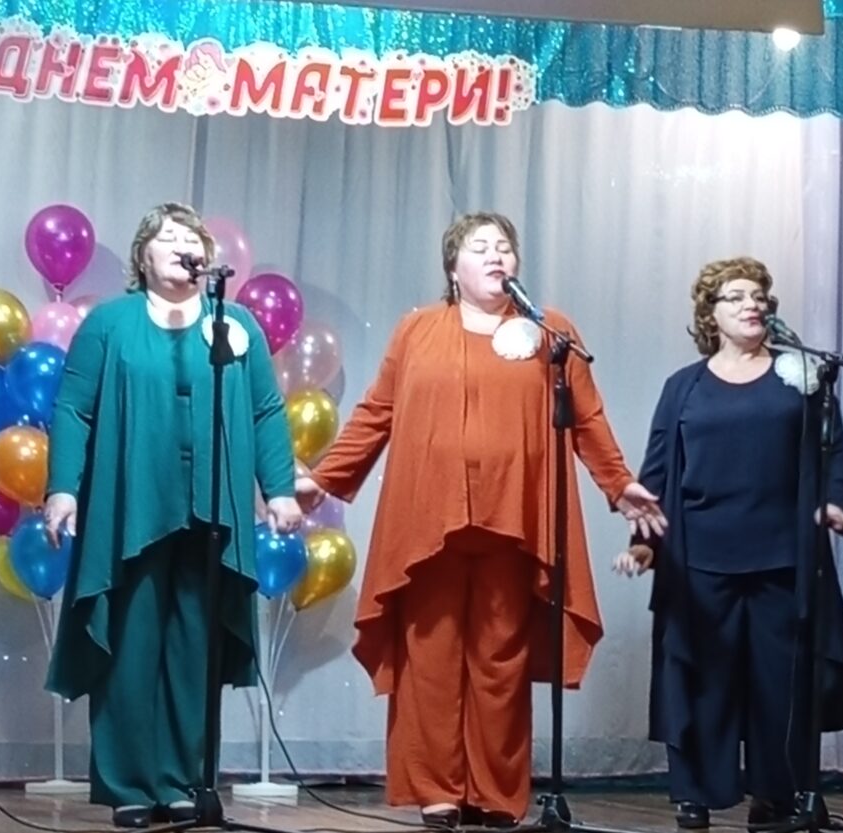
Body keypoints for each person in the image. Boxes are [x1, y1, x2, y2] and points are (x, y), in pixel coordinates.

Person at [296, 212, 666, 828]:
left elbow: (587, 416)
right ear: (453, 268)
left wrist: (618, 482)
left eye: (504, 247)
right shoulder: (417, 329)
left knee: (501, 658)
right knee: (431, 656)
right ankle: (438, 790)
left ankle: (494, 792)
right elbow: (377, 412)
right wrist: (324, 477)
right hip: (428, 520)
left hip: (514, 519)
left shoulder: (549, 331)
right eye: (480, 247)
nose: (496, 256)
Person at [43, 202, 302, 828]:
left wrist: (280, 489)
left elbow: (265, 409)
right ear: (143, 255)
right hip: (131, 504)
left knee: (195, 648)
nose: (185, 245)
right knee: (131, 644)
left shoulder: (234, 323)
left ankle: (182, 780)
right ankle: (130, 786)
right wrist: (63, 490)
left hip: (212, 509)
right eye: (169, 237)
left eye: (193, 238)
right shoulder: (110, 323)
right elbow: (74, 408)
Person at [614, 257, 843, 831]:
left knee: (777, 686)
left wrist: (834, 501)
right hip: (698, 559)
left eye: (758, 295)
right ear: (710, 313)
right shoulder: (683, 387)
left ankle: (775, 797)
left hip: (782, 556)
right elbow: (656, 475)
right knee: (701, 682)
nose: (751, 304)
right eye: (735, 296)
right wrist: (642, 545)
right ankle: (693, 794)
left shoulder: (799, 376)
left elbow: (835, 449)